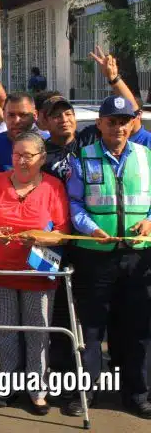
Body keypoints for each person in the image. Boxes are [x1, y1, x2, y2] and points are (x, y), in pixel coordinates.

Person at [0, 132, 70, 414]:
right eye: (17, 155)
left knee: (37, 333)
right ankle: (8, 385)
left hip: (39, 273)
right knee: (7, 330)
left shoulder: (53, 186)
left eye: (28, 156)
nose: (22, 161)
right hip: (1, 271)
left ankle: (37, 390)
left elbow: (63, 232)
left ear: (42, 158)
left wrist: (41, 238)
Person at [64, 95, 151, 419]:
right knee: (91, 330)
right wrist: (90, 228)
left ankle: (138, 393)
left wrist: (150, 221)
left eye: (124, 121)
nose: (118, 127)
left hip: (137, 257)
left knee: (137, 329)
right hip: (95, 256)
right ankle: (86, 392)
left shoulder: (146, 156)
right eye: (111, 121)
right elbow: (74, 203)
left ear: (132, 123)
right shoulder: (82, 158)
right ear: (100, 124)